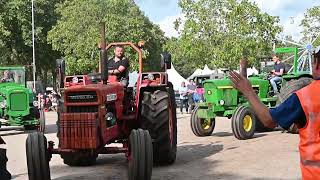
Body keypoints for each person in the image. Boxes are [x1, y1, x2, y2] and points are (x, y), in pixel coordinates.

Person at [228, 47, 320, 180]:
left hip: (315, 174)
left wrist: (248, 91)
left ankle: (275, 92)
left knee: (273, 81)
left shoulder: (305, 96)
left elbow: (269, 121)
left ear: (316, 65)